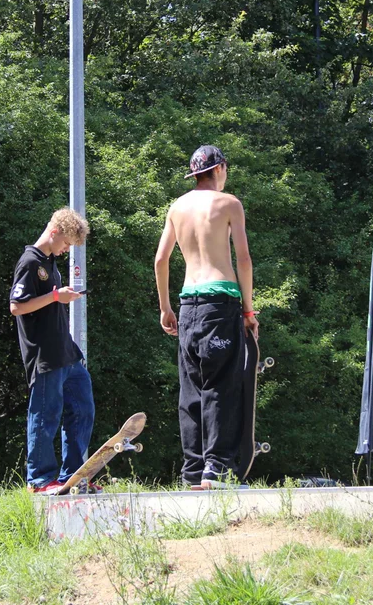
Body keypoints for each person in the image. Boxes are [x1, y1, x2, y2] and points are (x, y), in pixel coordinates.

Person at [154, 145, 259, 489]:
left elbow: (160, 260)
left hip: (187, 306)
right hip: (220, 302)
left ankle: (193, 471)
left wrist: (165, 308)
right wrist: (248, 309)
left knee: (191, 388)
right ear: (220, 169)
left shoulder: (177, 207)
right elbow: (243, 259)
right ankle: (217, 469)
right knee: (221, 385)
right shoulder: (229, 203)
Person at [9, 207, 95, 495]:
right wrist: (56, 296)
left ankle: (72, 476)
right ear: (55, 231)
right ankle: (41, 479)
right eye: (66, 244)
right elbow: (17, 306)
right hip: (45, 355)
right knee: (45, 416)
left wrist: (59, 297)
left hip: (66, 353)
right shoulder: (30, 262)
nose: (65, 250)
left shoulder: (49, 262)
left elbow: (50, 301)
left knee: (83, 410)